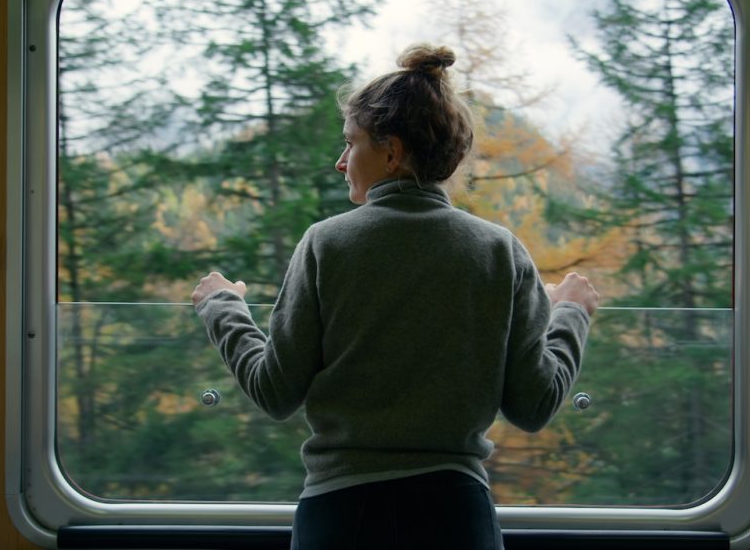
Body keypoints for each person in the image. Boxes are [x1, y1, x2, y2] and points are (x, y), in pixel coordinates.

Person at [192, 43, 600, 550]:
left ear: (392, 151)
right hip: (457, 518)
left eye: (351, 143)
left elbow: (275, 391)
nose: (342, 162)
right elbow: (533, 406)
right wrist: (570, 313)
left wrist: (222, 306)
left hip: (340, 517)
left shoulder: (327, 243)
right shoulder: (500, 251)